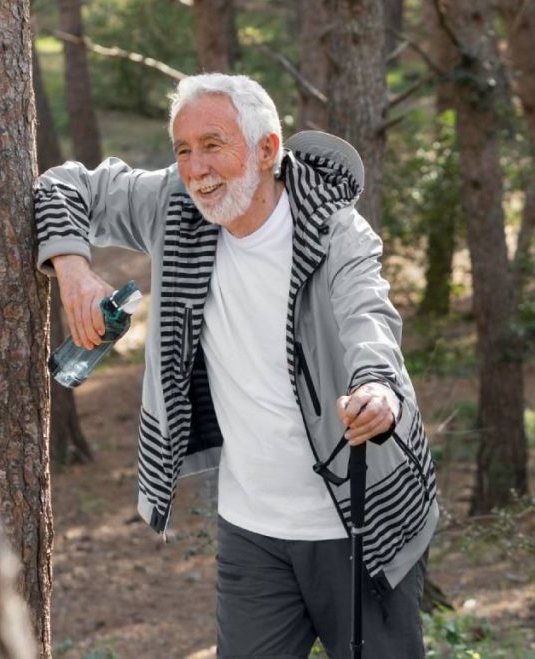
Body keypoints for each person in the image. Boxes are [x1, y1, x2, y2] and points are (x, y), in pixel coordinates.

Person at [34, 73, 437, 658]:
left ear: (268, 150)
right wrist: (72, 268)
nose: (195, 167)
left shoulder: (335, 230)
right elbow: (61, 185)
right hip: (253, 532)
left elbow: (369, 316)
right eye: (183, 148)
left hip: (359, 521)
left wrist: (375, 385)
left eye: (213, 144)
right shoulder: (173, 205)